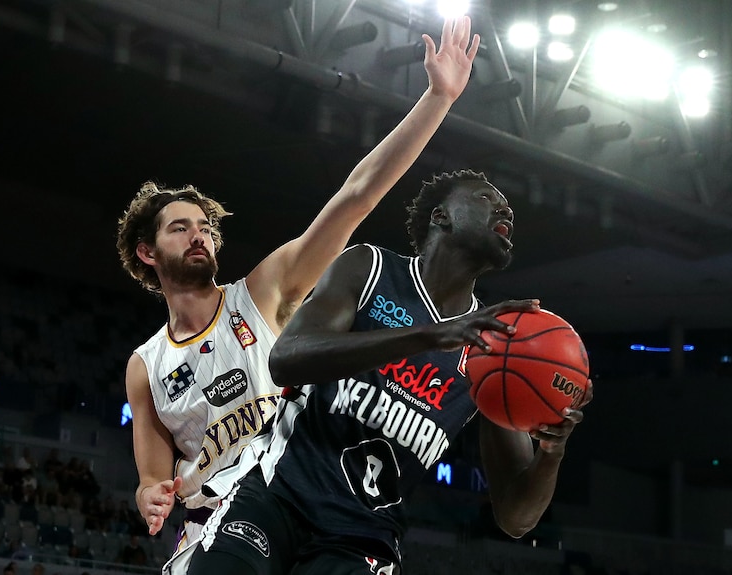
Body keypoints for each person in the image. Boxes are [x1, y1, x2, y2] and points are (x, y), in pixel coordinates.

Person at [116, 11, 483, 557]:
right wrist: (149, 495)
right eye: (179, 228)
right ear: (148, 253)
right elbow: (153, 477)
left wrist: (438, 99)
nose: (199, 236)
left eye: (205, 227)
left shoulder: (264, 291)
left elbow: (355, 198)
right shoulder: (145, 366)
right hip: (212, 531)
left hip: (298, 503)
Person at [179, 166, 593, 574]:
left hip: (362, 540)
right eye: (487, 199)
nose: (506, 212)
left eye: (508, 210)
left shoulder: (494, 347)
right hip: (276, 496)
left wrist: (552, 452)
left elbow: (516, 519)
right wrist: (430, 336)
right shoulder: (370, 267)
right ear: (441, 216)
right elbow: (286, 359)